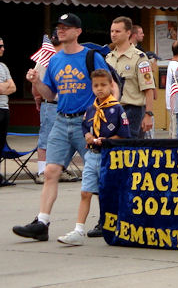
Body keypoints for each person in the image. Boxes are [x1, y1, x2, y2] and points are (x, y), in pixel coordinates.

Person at [13, 13, 116, 241]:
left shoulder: (91, 57)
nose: (61, 30)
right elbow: (50, 94)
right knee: (51, 171)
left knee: (97, 172)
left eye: (66, 27)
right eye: (59, 27)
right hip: (61, 119)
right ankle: (42, 222)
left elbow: (110, 85)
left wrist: (107, 113)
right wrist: (37, 83)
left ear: (78, 31)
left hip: (86, 122)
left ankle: (107, 219)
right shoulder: (55, 60)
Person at [57, 69, 130, 246]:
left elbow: (125, 134)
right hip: (92, 156)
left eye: (103, 85)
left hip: (110, 158)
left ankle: (120, 226)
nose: (99, 89)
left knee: (112, 194)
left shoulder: (117, 109)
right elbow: (85, 127)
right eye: (96, 86)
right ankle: (78, 230)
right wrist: (88, 137)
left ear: (111, 86)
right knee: (85, 192)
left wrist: (108, 140)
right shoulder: (91, 109)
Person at [32, 31, 79, 184]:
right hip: (52, 104)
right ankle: (41, 172)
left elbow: (34, 85)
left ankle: (60, 168)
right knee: (46, 139)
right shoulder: (47, 58)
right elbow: (35, 82)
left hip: (66, 104)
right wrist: (39, 98)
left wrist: (37, 98)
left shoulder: (66, 57)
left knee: (69, 139)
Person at [106, 16, 155, 139]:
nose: (113, 34)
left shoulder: (139, 57)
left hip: (133, 111)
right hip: (112, 109)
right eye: (112, 31)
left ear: (128, 33)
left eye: (118, 31)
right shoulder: (108, 58)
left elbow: (148, 88)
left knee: (132, 150)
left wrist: (148, 114)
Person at [0, 36, 16, 186]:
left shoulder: (3, 66)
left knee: (1, 143)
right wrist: (5, 87)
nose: (3, 49)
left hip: (4, 108)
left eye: (3, 45)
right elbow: (5, 87)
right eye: (0, 46)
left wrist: (4, 87)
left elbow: (13, 87)